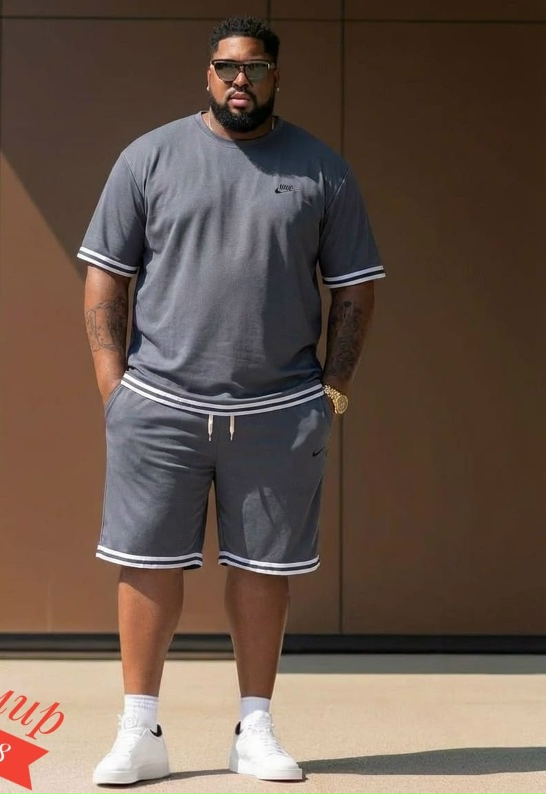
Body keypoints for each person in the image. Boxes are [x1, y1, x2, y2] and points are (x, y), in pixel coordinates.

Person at [78, 15, 384, 786]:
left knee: (263, 570)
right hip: (161, 404)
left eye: (254, 67)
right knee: (146, 564)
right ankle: (139, 732)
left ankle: (255, 729)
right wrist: (114, 389)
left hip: (279, 410)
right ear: (207, 73)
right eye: (227, 67)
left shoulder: (321, 170)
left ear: (276, 76)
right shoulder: (148, 158)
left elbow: (354, 288)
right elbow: (106, 275)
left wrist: (334, 390)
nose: (239, 80)